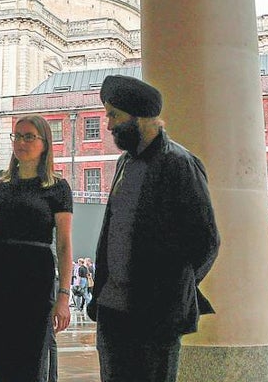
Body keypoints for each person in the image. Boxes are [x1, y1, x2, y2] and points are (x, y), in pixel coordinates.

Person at [87, 75, 219, 382]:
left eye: (114, 116)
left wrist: (171, 290)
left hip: (155, 315)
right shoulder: (124, 164)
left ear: (141, 117)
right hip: (111, 309)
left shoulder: (180, 163)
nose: (108, 125)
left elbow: (206, 241)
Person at [0, 115, 72, 382]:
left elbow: (65, 243)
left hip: (36, 275)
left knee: (33, 353)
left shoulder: (57, 187)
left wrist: (64, 296)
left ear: (45, 143)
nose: (20, 142)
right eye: (17, 136)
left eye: (28, 136)